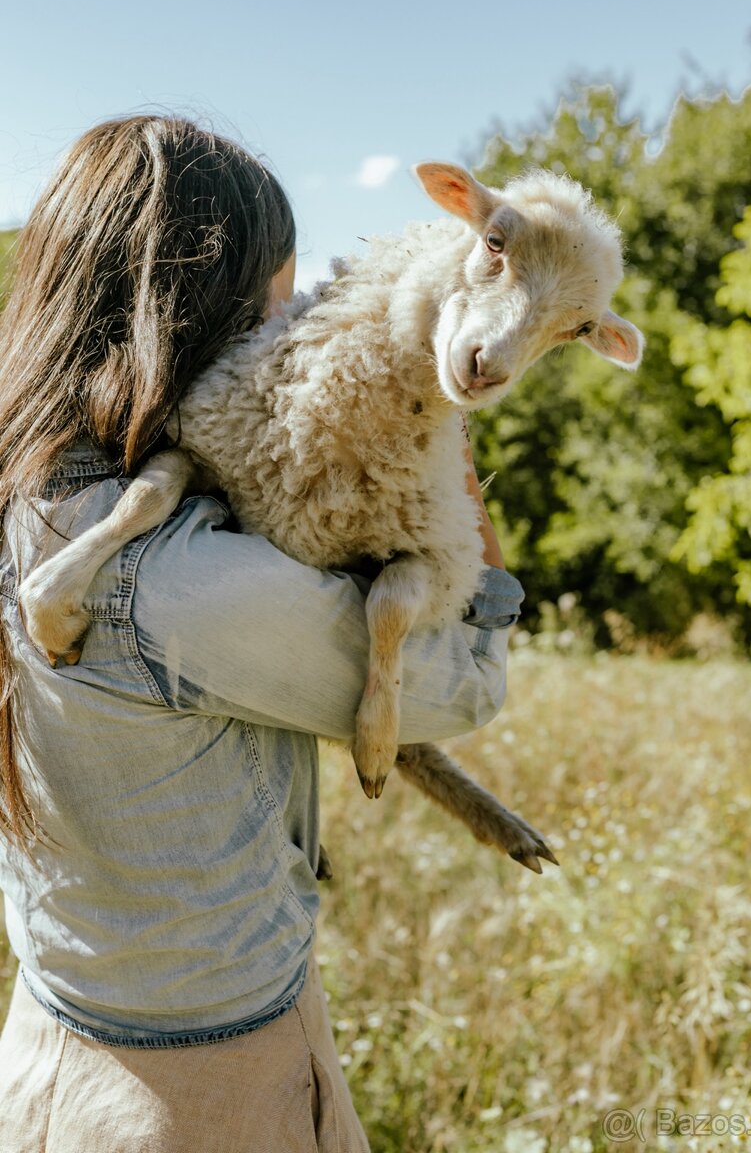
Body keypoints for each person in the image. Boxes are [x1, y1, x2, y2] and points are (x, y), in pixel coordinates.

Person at [0, 116, 523, 1153]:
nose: (281, 325)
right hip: (210, 1098)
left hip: (48, 1059)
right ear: (204, 311)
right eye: (271, 300)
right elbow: (460, 688)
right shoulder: (185, 585)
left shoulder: (28, 494)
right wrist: (463, 513)